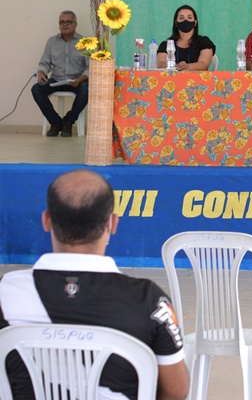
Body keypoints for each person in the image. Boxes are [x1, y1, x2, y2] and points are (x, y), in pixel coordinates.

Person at [0, 169, 190, 400]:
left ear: (47, 220)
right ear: (112, 223)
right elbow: (176, 391)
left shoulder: (5, 292)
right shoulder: (149, 300)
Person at [32, 11, 90, 137]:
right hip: (57, 80)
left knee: (86, 89)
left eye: (68, 21)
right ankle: (55, 122)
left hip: (77, 80)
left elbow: (90, 68)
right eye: (62, 22)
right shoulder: (52, 42)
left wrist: (80, 80)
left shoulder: (85, 42)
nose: (65, 25)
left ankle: (68, 121)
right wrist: (41, 72)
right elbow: (44, 63)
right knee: (36, 89)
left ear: (75, 24)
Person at [155, 4, 216, 71]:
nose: (185, 20)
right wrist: (171, 66)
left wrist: (188, 67)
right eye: (181, 18)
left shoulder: (204, 42)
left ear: (195, 22)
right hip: (171, 80)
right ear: (176, 23)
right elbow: (160, 64)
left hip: (198, 81)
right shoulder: (167, 44)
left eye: (189, 18)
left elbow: (204, 64)